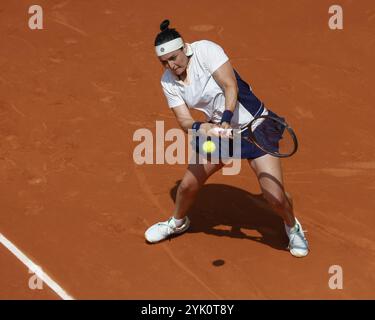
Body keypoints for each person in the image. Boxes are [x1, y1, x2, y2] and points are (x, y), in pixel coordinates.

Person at [144, 20, 309, 257]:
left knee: (275, 198)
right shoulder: (168, 82)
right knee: (188, 185)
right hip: (221, 135)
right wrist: (206, 127)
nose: (170, 65)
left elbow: (230, 86)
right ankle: (177, 222)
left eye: (173, 58)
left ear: (184, 49)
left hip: (254, 127)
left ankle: (292, 227)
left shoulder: (206, 50)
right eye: (164, 62)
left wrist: (226, 118)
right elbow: (184, 122)